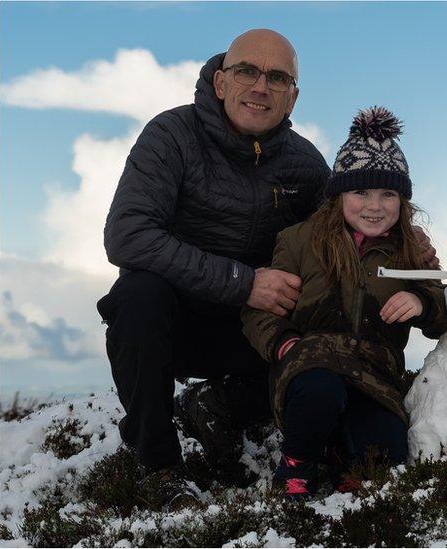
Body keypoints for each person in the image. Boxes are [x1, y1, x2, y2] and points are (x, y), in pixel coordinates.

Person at [96, 29, 329, 507]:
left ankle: (219, 406)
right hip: (172, 322)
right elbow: (127, 234)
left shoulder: (306, 166)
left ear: (293, 97)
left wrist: (407, 244)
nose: (261, 86)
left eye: (278, 77)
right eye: (247, 71)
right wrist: (243, 283)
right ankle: (159, 466)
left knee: (328, 336)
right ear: (221, 82)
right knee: (137, 296)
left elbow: (345, 240)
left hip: (252, 332)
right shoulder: (171, 135)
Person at [241, 107, 447, 499]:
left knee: (386, 455)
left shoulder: (410, 248)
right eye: (361, 192)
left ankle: (337, 450)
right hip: (311, 366)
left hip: (374, 377)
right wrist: (285, 345)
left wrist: (421, 300)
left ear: (402, 200)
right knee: (321, 393)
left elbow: (443, 307)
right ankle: (296, 464)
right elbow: (261, 311)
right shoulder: (299, 240)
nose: (374, 206)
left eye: (387, 193)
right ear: (339, 194)